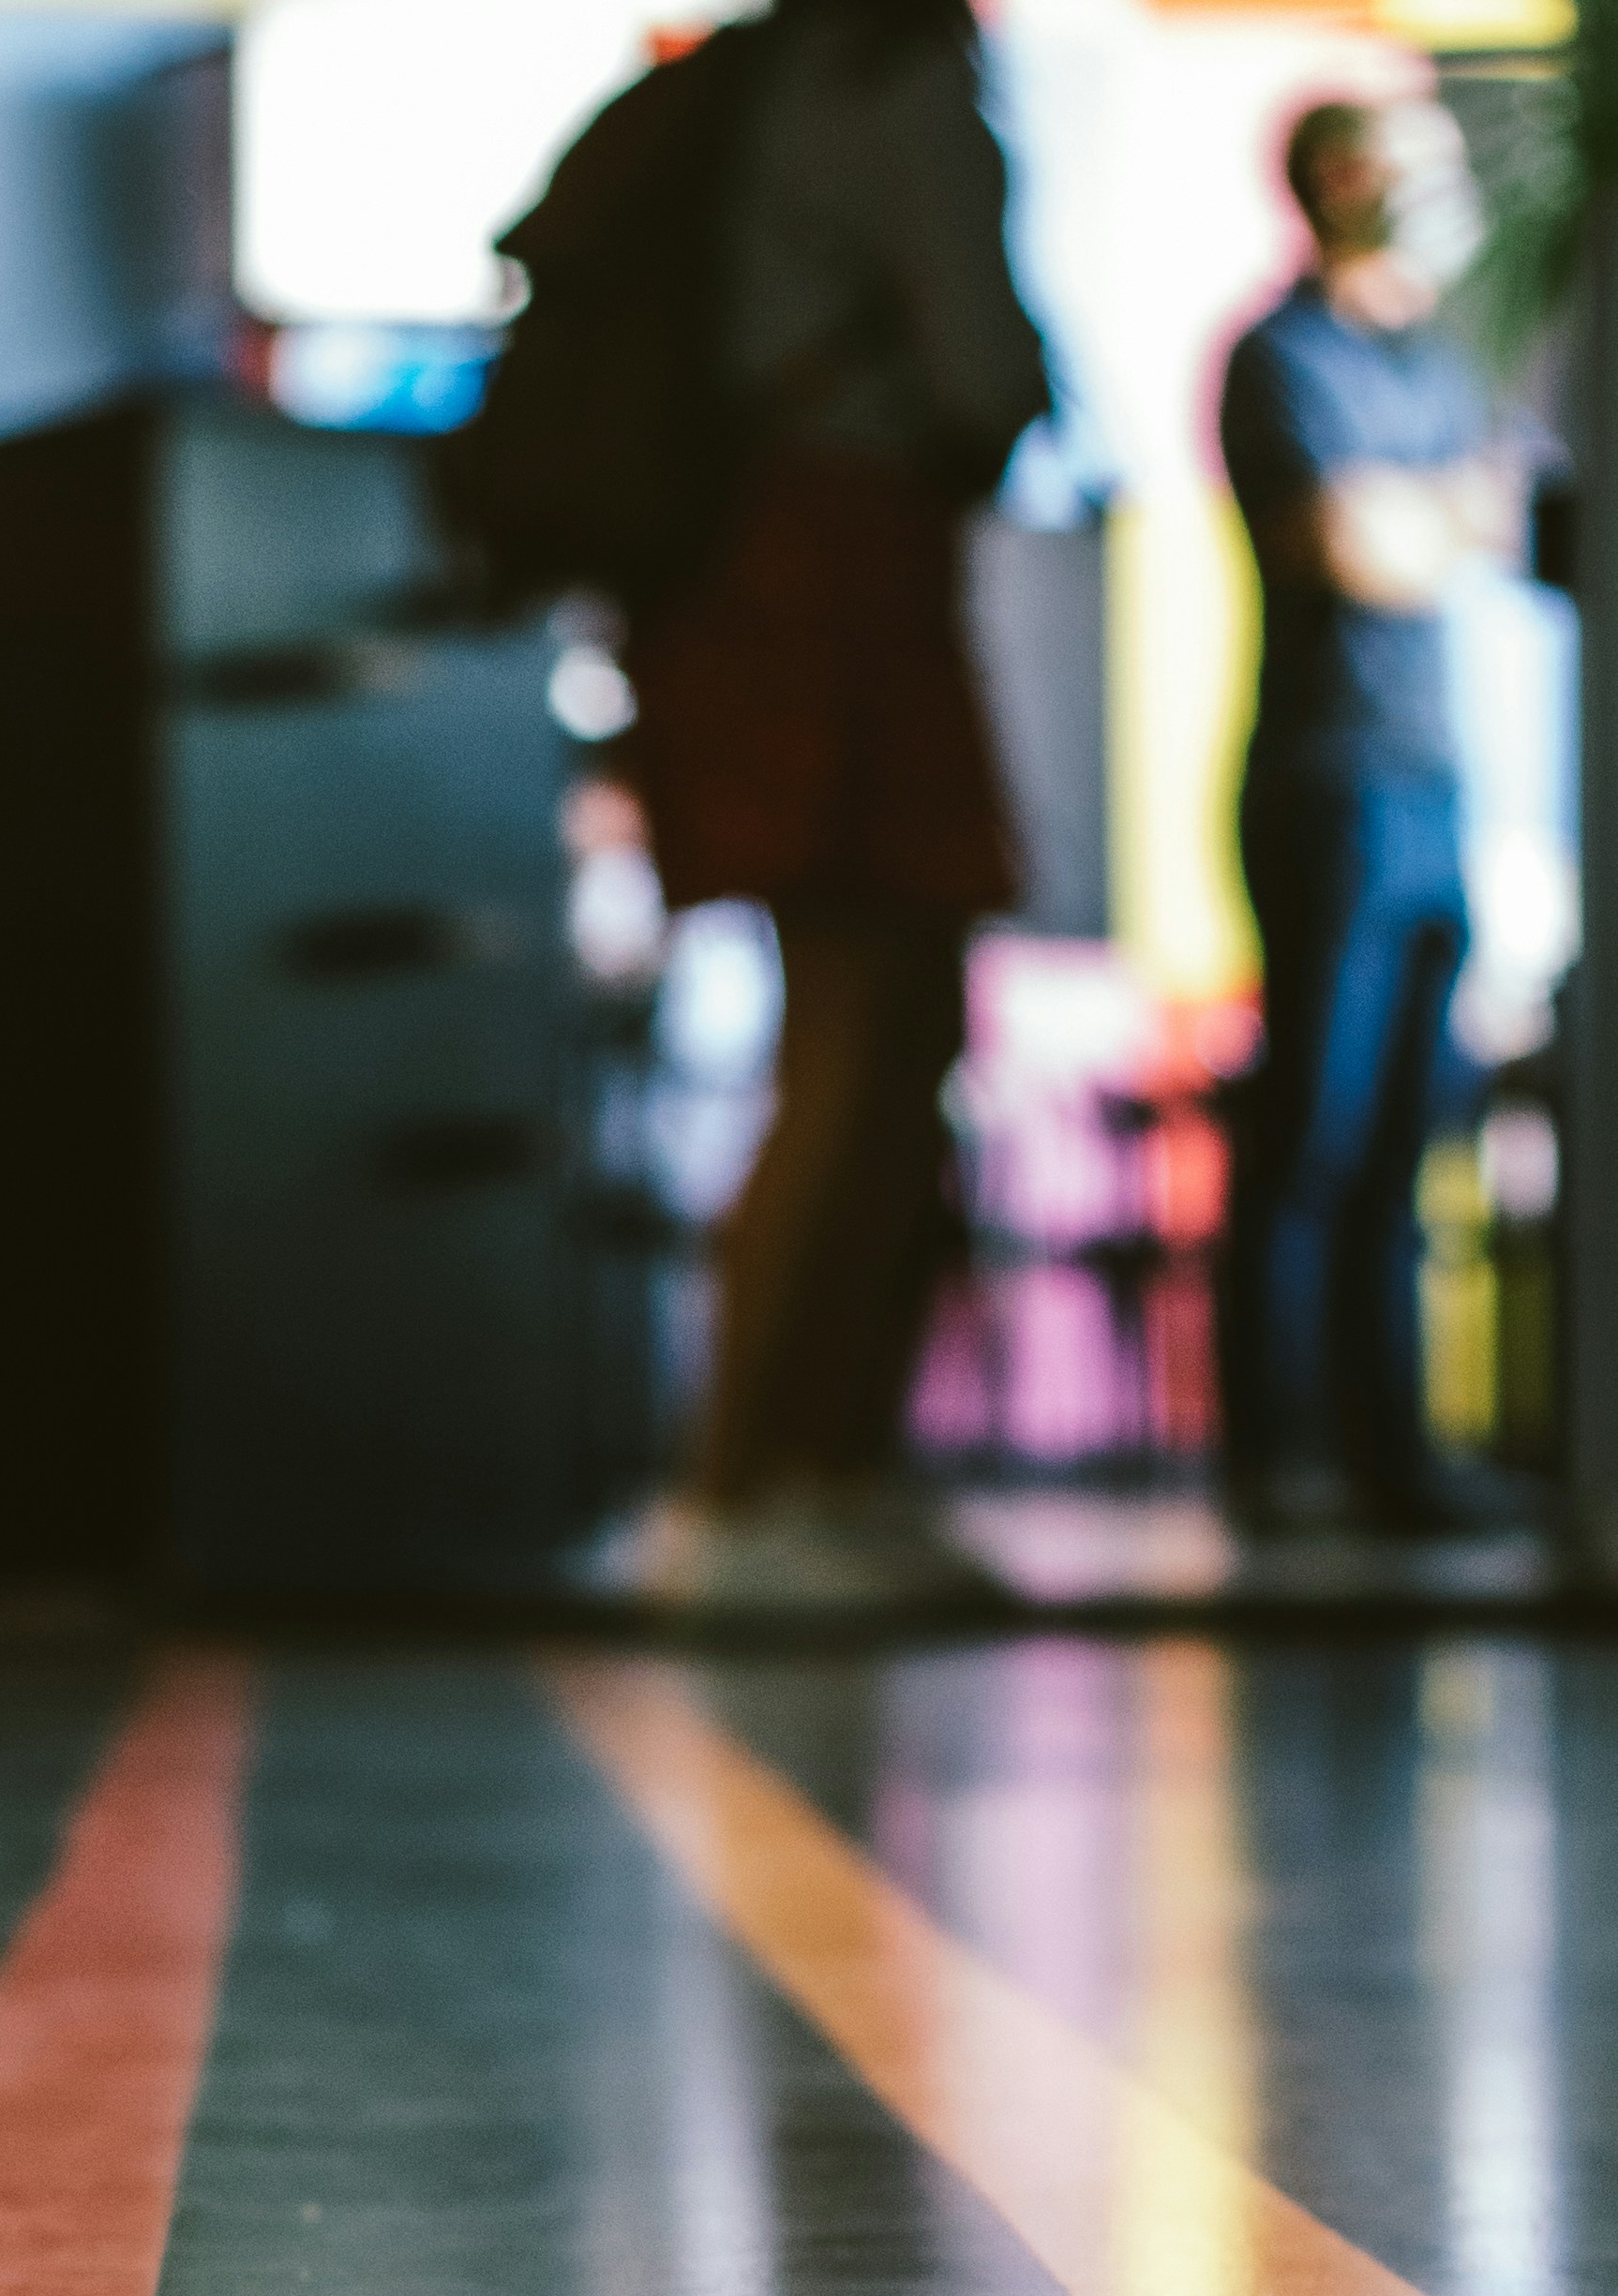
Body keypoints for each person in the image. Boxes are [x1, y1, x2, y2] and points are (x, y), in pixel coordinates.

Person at [624, 0, 1050, 1612]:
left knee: (866, 1028)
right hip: (844, 566)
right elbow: (982, 367)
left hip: (755, 571)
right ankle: (747, 1486)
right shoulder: (902, 77)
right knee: (866, 1031)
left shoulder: (764, 79)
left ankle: (805, 1472)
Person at [1218, 97, 1511, 1543]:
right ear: (1343, 180)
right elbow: (1357, 549)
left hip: (1438, 781)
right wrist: (1426, 519)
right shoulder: (1278, 358)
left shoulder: (1434, 363)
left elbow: (1488, 519)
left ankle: (1391, 1458)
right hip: (1325, 782)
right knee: (1312, 1130)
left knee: (1410, 1136)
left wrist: (1428, 518)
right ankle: (1274, 1464)